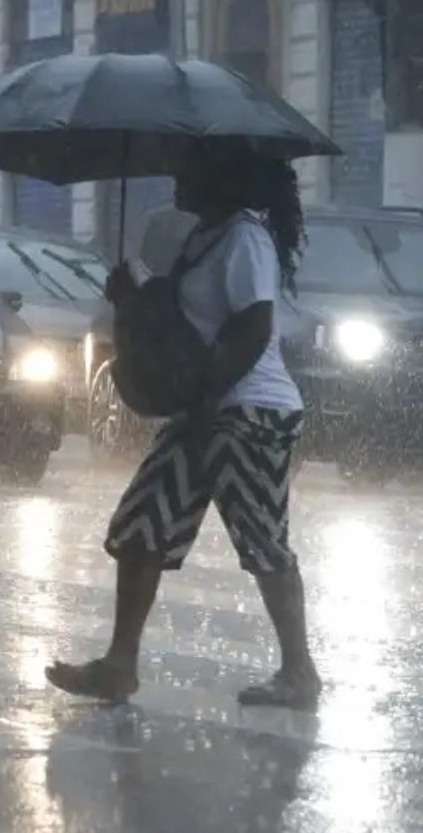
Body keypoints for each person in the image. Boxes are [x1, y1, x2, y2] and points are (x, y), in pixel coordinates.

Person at [48, 146, 318, 709]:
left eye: (191, 167)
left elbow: (252, 328)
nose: (177, 176)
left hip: (248, 412)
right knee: (143, 524)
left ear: (223, 175)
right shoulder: (205, 237)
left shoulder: (245, 237)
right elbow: (186, 323)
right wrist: (132, 297)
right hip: (203, 408)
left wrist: (205, 403)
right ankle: (120, 665)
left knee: (262, 539)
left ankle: (300, 674)